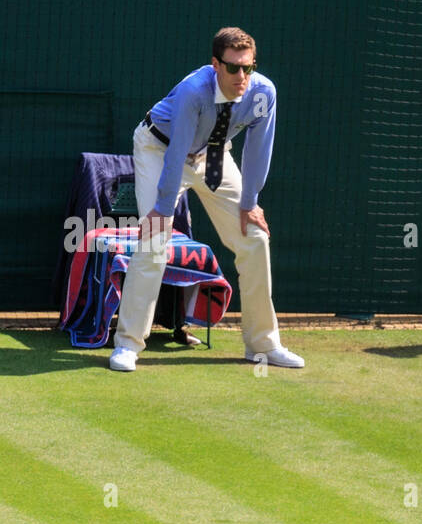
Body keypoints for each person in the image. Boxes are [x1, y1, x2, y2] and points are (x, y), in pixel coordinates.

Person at [109, 27, 303, 372]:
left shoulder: (263, 93)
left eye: (248, 67)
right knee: (154, 242)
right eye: (232, 68)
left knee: (255, 239)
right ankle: (127, 345)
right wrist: (162, 209)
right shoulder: (193, 91)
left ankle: (263, 344)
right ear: (216, 64)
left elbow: (259, 150)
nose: (241, 76)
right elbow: (177, 151)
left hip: (213, 155)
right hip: (160, 149)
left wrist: (250, 202)